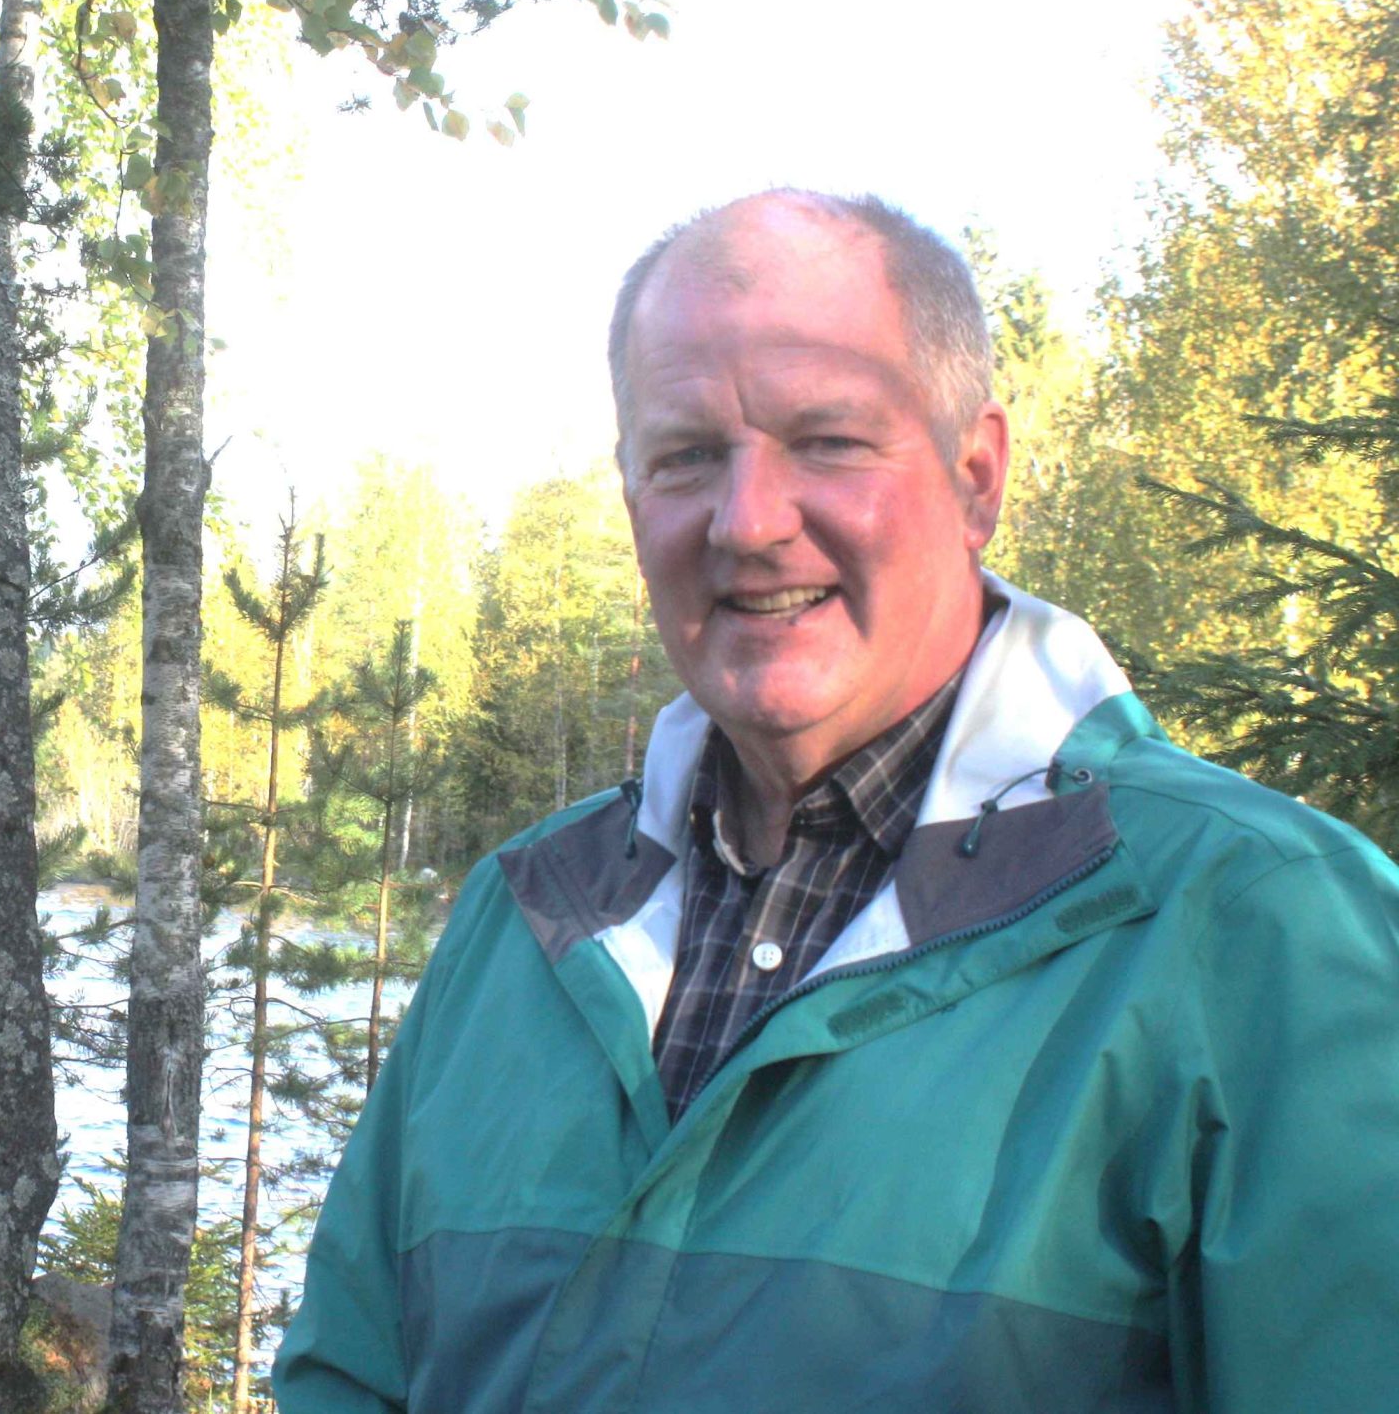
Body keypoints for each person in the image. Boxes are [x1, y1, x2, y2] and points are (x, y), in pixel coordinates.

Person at [274, 190, 1399, 1412]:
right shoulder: (525, 916)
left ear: (976, 476)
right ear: (631, 491)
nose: (749, 521)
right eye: (686, 455)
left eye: (828, 440)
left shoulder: (1265, 928)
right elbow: (349, 1374)